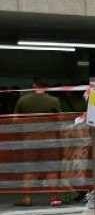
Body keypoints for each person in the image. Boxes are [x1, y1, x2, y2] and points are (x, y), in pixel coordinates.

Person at [14, 79, 64, 208]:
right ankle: (54, 199)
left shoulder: (23, 100)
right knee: (51, 169)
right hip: (50, 140)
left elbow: (15, 120)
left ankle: (27, 198)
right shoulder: (54, 101)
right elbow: (59, 119)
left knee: (29, 169)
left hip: (30, 139)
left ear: (33, 86)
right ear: (47, 87)